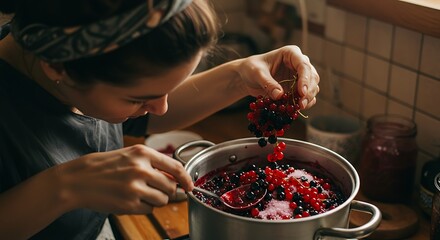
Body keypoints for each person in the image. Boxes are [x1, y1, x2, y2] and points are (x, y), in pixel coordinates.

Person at [0, 0, 320, 239]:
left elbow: (145, 117)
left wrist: (239, 76)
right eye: (138, 99)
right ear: (58, 67)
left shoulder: (78, 70)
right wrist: (63, 187)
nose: (162, 108)